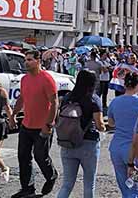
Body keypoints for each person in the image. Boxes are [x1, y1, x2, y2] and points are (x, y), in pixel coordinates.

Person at [11, 50, 59, 198]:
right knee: (23, 157)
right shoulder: (25, 79)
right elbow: (22, 99)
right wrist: (13, 115)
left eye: (30, 60)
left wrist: (49, 124)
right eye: (25, 60)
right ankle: (27, 188)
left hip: (42, 126)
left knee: (40, 156)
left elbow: (54, 102)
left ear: (38, 61)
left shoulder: (46, 78)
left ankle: (51, 176)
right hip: (26, 125)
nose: (26, 62)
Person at [56, 70, 105, 198]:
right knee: (89, 183)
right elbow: (99, 125)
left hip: (67, 142)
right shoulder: (94, 99)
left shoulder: (67, 97)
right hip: (88, 143)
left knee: (67, 184)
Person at [108, 73, 138, 198]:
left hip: (116, 147)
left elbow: (111, 123)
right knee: (137, 186)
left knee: (124, 186)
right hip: (136, 149)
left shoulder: (115, 102)